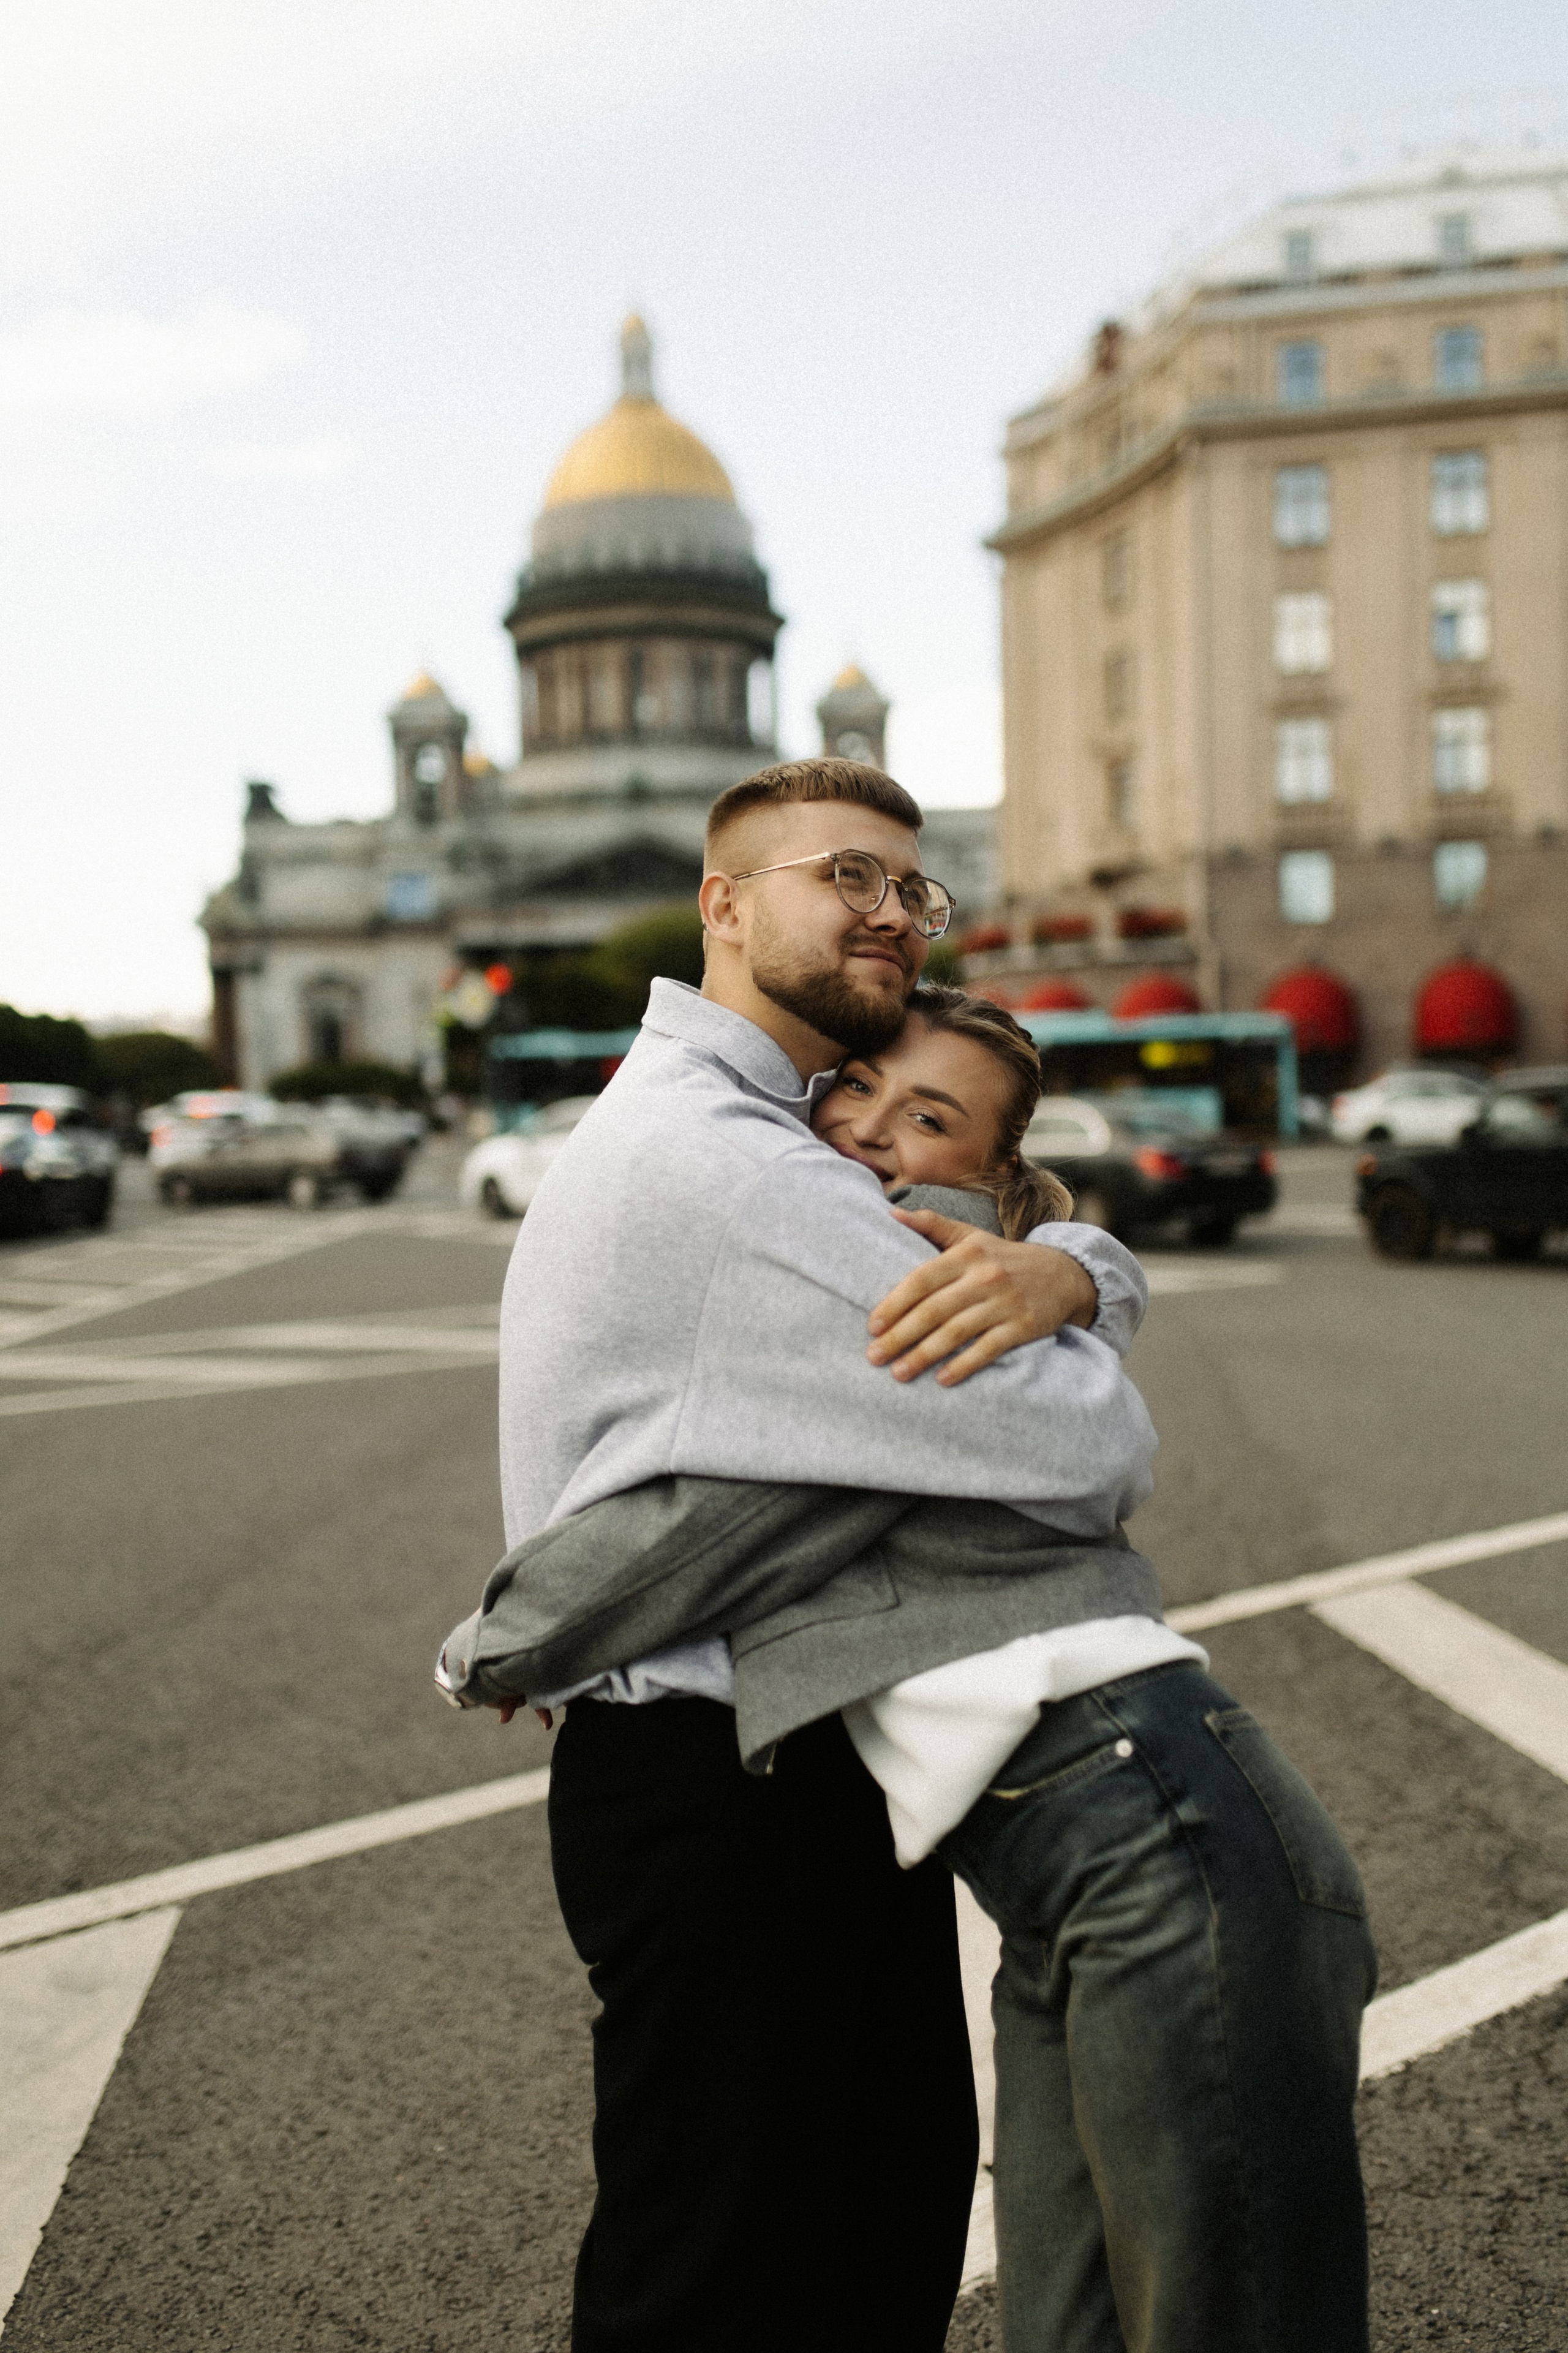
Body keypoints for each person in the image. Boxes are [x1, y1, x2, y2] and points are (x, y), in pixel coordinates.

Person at [445, 844, 1378, 2348]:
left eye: (927, 1117)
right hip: (1071, 1867)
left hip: (1167, 1831)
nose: (870, 1136)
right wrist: (1079, 1266)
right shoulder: (839, 1256)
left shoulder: (927, 1298)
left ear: (990, 1178)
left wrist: (512, 1634)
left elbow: (725, 1522)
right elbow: (727, 1516)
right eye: (853, 1098)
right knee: (1055, 2314)